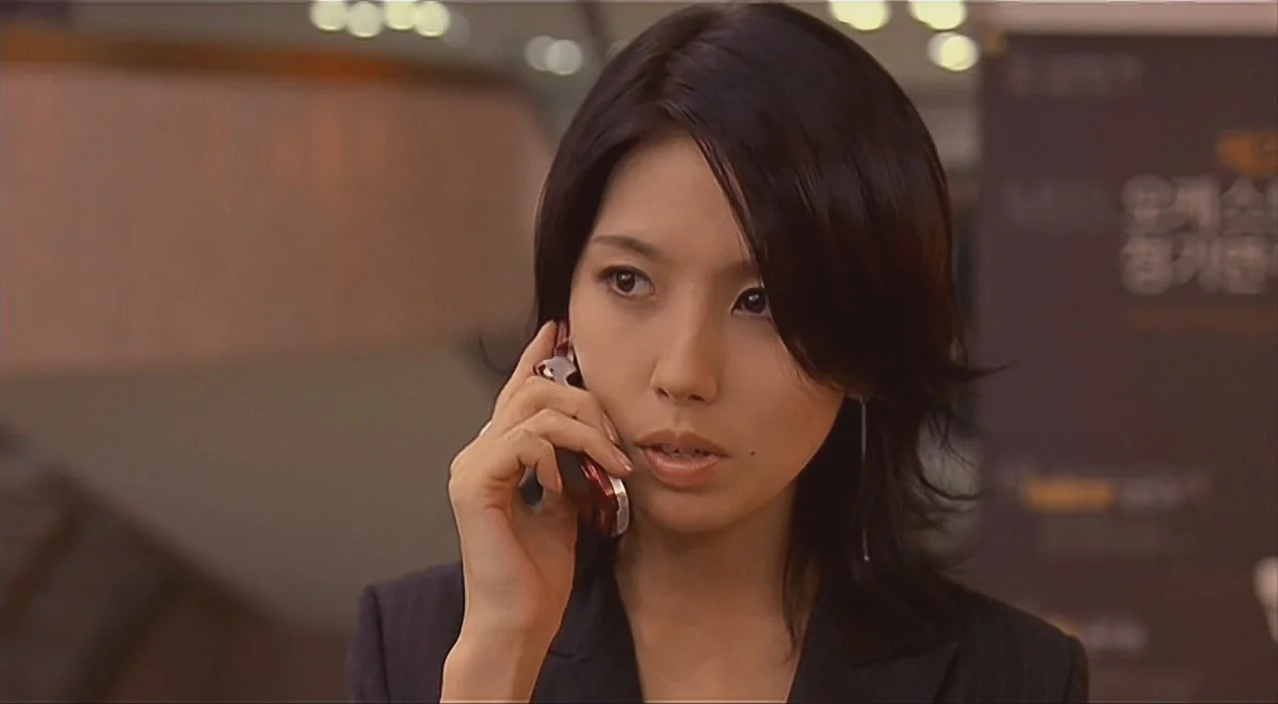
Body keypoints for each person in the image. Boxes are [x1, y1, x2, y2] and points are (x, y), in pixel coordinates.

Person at [346, 3, 1089, 702]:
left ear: (867, 342)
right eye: (628, 280)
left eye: (761, 301)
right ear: (562, 316)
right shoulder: (423, 645)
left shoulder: (1011, 678)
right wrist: (502, 655)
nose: (684, 374)